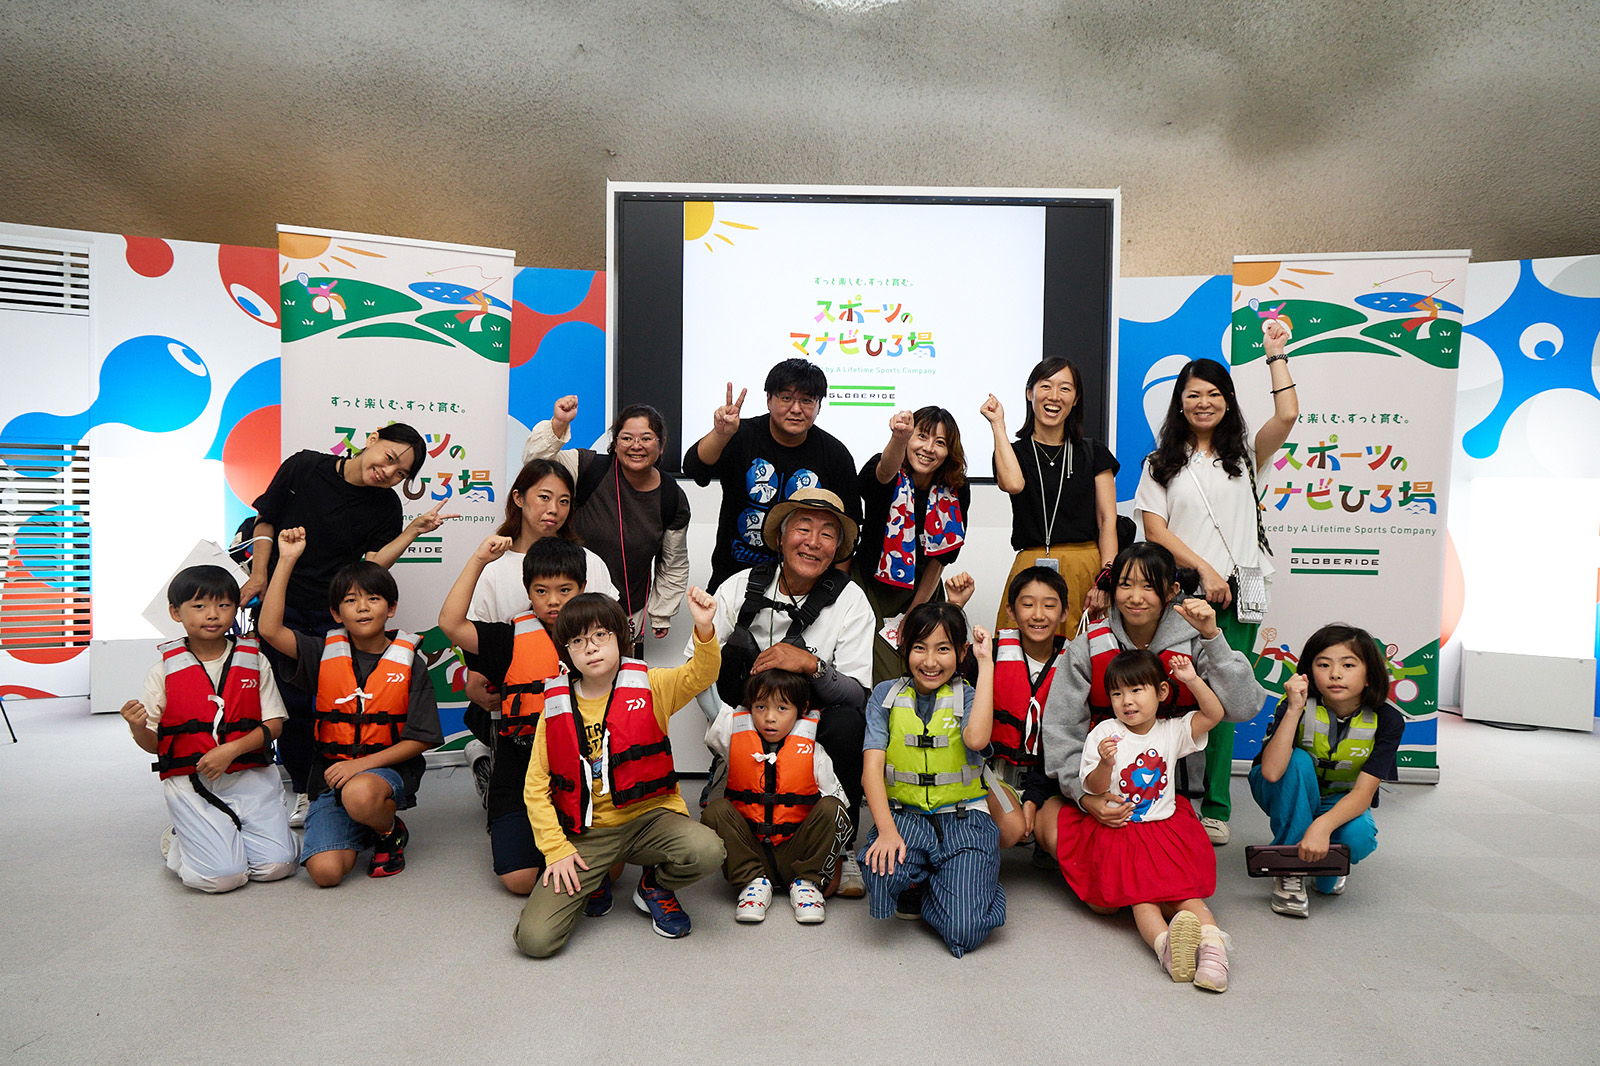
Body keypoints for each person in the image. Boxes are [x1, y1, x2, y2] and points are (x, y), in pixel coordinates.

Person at [1132, 321, 1298, 843]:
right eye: (1193, 395)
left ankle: (1217, 807)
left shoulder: (1246, 456)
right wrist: (1203, 569)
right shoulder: (1160, 464)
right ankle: (1162, 795)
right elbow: (1154, 530)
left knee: (1226, 696)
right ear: (1179, 404)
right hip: (1182, 595)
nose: (1203, 403)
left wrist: (1276, 354)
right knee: (1174, 691)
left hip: (1243, 591)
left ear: (1227, 401)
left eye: (1213, 394)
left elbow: (1287, 415)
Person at [242, 423, 450, 826]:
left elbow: (371, 568)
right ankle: (304, 789)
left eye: (400, 473)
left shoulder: (385, 506)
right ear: (372, 439)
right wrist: (261, 574)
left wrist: (412, 531)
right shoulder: (304, 467)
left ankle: (341, 786)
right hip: (282, 602)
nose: (388, 473)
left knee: (332, 703)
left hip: (334, 613)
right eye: (389, 458)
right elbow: (265, 521)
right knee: (287, 703)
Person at [1033, 543, 1267, 892]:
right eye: (1125, 584)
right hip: (1101, 789)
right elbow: (1061, 727)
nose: (1135, 597)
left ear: (1172, 591)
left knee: (1168, 884)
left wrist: (1213, 636)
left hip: (1169, 797)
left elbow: (1244, 707)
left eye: (1148, 586)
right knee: (1084, 870)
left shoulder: (1195, 642)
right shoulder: (1088, 646)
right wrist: (1086, 797)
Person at [513, 591, 724, 956]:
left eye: (600, 635)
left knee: (707, 850)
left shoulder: (652, 685)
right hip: (589, 833)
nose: (591, 647)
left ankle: (655, 885)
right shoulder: (555, 708)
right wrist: (556, 849)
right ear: (566, 652)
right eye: (578, 641)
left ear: (619, 637)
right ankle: (596, 880)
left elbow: (702, 674)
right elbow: (535, 788)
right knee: (534, 940)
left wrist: (704, 628)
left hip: (651, 820)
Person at [697, 487, 874, 897]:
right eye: (803, 528)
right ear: (780, 536)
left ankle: (842, 847)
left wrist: (810, 664)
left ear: (837, 548)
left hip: (815, 721)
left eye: (827, 534)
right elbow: (697, 669)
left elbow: (856, 695)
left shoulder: (851, 601)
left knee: (849, 724)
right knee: (730, 653)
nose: (813, 542)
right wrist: (728, 727)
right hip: (747, 717)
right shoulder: (738, 587)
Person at [257, 528, 443, 887]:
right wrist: (287, 559)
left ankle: (388, 830)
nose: (362, 607)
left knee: (359, 793)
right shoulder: (321, 652)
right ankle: (363, 822)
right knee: (325, 873)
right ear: (336, 613)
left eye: (373, 598)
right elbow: (269, 629)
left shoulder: (409, 661)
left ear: (391, 608)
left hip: (385, 772)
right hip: (331, 776)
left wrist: (360, 766)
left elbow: (421, 738)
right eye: (350, 600)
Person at [119, 565, 296, 893]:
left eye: (223, 605)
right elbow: (154, 744)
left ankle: (226, 834)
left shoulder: (255, 660)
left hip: (250, 774)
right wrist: (137, 727)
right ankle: (180, 841)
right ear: (176, 612)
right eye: (199, 606)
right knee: (221, 877)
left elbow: (273, 725)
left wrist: (231, 749)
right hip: (192, 781)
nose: (212, 615)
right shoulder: (163, 671)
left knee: (277, 866)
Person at [1069, 650, 1232, 991]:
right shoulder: (1104, 733)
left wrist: (1191, 679)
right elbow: (1093, 787)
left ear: (1161, 692)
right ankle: (1167, 948)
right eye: (1117, 693)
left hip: (1166, 833)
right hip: (1123, 833)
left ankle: (1214, 953)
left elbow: (1214, 714)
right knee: (1142, 900)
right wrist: (1105, 763)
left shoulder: (1172, 730)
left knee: (1188, 897)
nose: (1126, 701)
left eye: (1136, 690)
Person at [440, 536, 587, 897]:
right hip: (518, 773)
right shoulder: (508, 639)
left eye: (565, 590)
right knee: (520, 880)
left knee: (605, 875)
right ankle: (487, 774)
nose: (553, 601)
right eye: (541, 591)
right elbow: (451, 624)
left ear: (582, 588)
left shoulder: (598, 639)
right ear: (528, 591)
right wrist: (478, 559)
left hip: (578, 776)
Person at [859, 603, 1006, 958]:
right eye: (919, 648)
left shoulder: (969, 696)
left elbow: (976, 740)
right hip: (905, 817)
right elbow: (871, 771)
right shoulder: (884, 696)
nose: (930, 661)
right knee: (880, 872)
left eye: (942, 649)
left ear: (961, 652)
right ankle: (929, 880)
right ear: (904, 648)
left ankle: (965, 882)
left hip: (964, 820)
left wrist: (986, 664)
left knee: (964, 931)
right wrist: (887, 832)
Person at [1249, 623, 1403, 918]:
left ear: (1369, 675)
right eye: (1323, 665)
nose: (1335, 674)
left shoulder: (1388, 720)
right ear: (1308, 673)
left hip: (1339, 798)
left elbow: (1364, 793)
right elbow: (1271, 772)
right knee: (1298, 760)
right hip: (1283, 789)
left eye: (1348, 665)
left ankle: (1322, 859)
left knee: (1358, 839)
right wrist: (1294, 709)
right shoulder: (1295, 705)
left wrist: (1322, 827)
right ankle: (1290, 870)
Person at [521, 396, 691, 641]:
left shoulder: (671, 496)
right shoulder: (587, 467)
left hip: (625, 616)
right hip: (566, 612)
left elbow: (673, 562)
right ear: (615, 442)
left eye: (646, 438)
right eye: (627, 438)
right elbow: (535, 466)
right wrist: (559, 424)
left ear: (661, 445)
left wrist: (662, 613)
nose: (636, 446)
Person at [683, 358, 861, 592]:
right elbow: (694, 469)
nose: (796, 409)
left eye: (807, 400)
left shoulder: (835, 455)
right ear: (768, 399)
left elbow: (848, 530)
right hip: (735, 577)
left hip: (805, 588)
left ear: (819, 406)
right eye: (786, 398)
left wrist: (834, 590)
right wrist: (720, 435)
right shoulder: (740, 435)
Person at [701, 668, 849, 924]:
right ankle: (752, 882)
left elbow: (839, 814)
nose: (770, 718)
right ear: (750, 708)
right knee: (715, 810)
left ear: (801, 709)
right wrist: (700, 646)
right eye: (760, 707)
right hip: (751, 850)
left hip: (797, 853)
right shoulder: (734, 736)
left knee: (832, 807)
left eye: (782, 708)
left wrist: (836, 862)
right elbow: (706, 697)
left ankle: (807, 883)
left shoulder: (814, 751)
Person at [984, 358, 1119, 635]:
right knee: (1019, 653)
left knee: (1086, 654)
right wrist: (998, 424)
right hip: (1030, 568)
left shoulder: (1093, 452)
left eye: (1065, 388)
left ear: (1076, 399)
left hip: (1085, 568)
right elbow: (1013, 484)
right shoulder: (1013, 452)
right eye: (1046, 386)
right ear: (1029, 392)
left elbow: (1107, 520)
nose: (1054, 396)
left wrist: (1106, 579)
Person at [852, 406, 971, 685]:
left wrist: (914, 614)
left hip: (922, 590)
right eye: (922, 436)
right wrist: (899, 437)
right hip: (871, 587)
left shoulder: (956, 489)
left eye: (940, 442)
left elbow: (940, 559)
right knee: (884, 674)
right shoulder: (887, 467)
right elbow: (884, 473)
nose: (928, 448)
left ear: (949, 451)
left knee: (923, 667)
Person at [986, 565, 1072, 849]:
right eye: (1027, 604)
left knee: (1061, 841)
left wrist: (1034, 799)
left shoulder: (1075, 663)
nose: (1038, 614)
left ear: (1064, 613)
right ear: (1011, 611)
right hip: (997, 774)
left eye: (1049, 605)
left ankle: (1044, 844)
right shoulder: (991, 654)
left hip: (1051, 779)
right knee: (1011, 828)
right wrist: (956, 605)